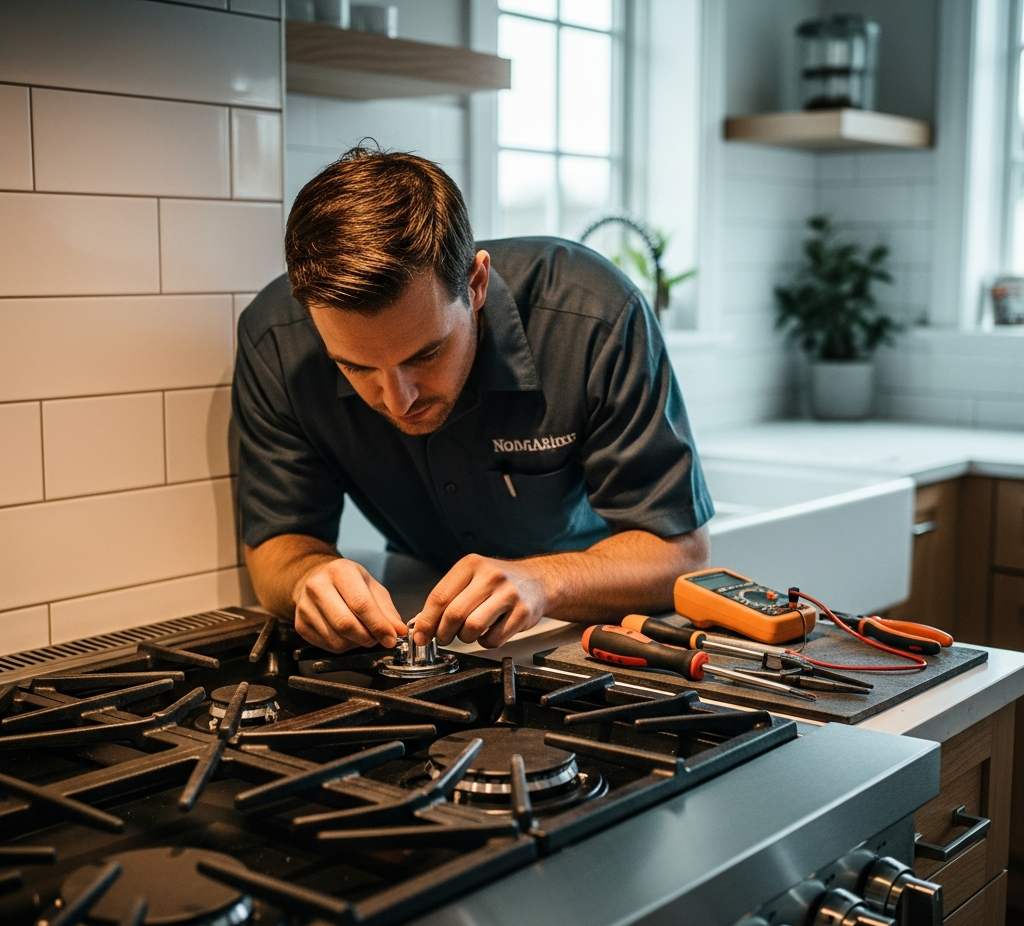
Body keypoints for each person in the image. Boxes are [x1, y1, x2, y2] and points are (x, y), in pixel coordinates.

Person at [233, 147, 714, 655]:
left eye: (427, 353)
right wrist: (308, 577)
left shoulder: (597, 315)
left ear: (477, 283)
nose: (398, 400)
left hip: (583, 627)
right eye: (356, 367)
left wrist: (542, 581)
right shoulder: (275, 343)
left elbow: (682, 553)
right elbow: (277, 545)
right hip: (418, 616)